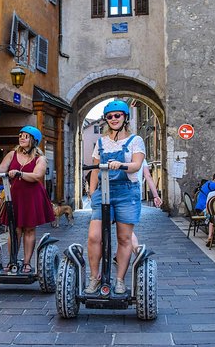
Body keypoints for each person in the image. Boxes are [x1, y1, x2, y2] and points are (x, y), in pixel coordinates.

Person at [85, 100, 145, 295]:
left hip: (127, 191)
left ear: (125, 117)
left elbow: (137, 165)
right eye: (110, 116)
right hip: (103, 192)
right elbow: (94, 170)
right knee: (94, 237)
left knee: (124, 238)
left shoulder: (135, 140)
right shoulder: (101, 142)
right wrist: (92, 191)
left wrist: (120, 164)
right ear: (106, 120)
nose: (113, 119)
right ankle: (95, 278)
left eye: (117, 115)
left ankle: (119, 280)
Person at [0, 125, 54, 273]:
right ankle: (13, 261)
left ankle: (27, 263)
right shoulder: (12, 154)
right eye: (20, 135)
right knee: (14, 229)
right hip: (15, 195)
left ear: (33, 140)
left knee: (29, 229)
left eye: (26, 136)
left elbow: (37, 176)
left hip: (32, 196)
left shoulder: (40, 158)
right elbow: (2, 168)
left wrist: (19, 174)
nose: (22, 138)